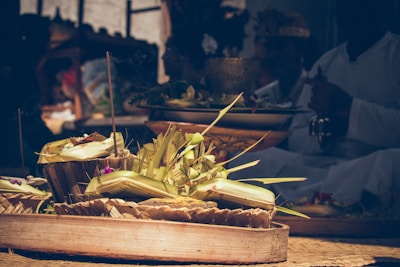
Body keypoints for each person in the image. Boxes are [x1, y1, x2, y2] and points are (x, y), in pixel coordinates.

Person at [229, 0, 400, 218]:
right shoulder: (327, 62)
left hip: (370, 164)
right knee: (248, 157)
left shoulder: (395, 55)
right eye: (343, 8)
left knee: (392, 162)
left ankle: (363, 214)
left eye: (359, 7)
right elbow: (298, 136)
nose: (350, 14)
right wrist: (326, 132)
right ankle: (288, 206)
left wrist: (349, 110)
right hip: (326, 163)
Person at [253, 8, 319, 104]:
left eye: (280, 47)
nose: (272, 55)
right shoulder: (261, 97)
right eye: (269, 48)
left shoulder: (315, 94)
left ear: (300, 50)